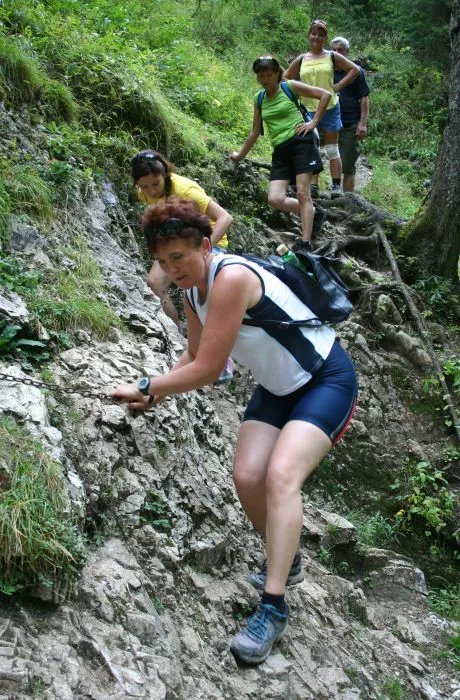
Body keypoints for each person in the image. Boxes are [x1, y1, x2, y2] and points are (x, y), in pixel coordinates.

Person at [111, 200, 358, 665]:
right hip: (278, 388)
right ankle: (287, 557)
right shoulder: (193, 292)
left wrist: (147, 385)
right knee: (246, 477)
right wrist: (155, 393)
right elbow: (194, 355)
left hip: (325, 379)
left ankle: (274, 606)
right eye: (163, 261)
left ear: (205, 246)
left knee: (280, 476)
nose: (172, 269)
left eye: (179, 257)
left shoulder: (231, 278)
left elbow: (208, 370)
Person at [131, 150, 234, 383]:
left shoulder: (185, 190)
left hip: (208, 244)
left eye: (155, 184)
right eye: (144, 187)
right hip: (174, 246)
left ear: (165, 174)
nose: (150, 191)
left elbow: (225, 218)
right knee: (155, 283)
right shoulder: (144, 192)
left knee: (202, 295)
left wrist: (204, 249)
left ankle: (220, 359)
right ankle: (177, 336)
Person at [230, 56, 331, 247]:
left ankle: (305, 242)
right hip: (280, 149)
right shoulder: (259, 98)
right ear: (257, 77)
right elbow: (255, 132)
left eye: (269, 74)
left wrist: (314, 122)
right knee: (275, 199)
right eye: (262, 76)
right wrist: (240, 156)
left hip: (302, 141)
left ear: (277, 73)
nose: (266, 79)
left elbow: (325, 95)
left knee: (303, 193)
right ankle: (314, 212)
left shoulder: (289, 87)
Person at [284, 19, 360, 199]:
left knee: (332, 149)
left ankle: (336, 186)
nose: (316, 37)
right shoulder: (301, 59)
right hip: (308, 108)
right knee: (313, 147)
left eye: (320, 34)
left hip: (330, 107)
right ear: (309, 35)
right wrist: (299, 90)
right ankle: (314, 186)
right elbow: (286, 77)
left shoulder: (331, 56)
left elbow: (354, 70)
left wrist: (339, 85)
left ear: (325, 37)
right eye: (314, 33)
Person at [330, 36, 370, 193]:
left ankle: (348, 199)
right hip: (329, 124)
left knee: (348, 165)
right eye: (333, 50)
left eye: (340, 50)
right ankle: (328, 193)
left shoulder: (356, 72)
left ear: (347, 52)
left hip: (350, 125)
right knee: (326, 159)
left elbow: (364, 97)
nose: (336, 53)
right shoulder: (327, 71)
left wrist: (362, 123)